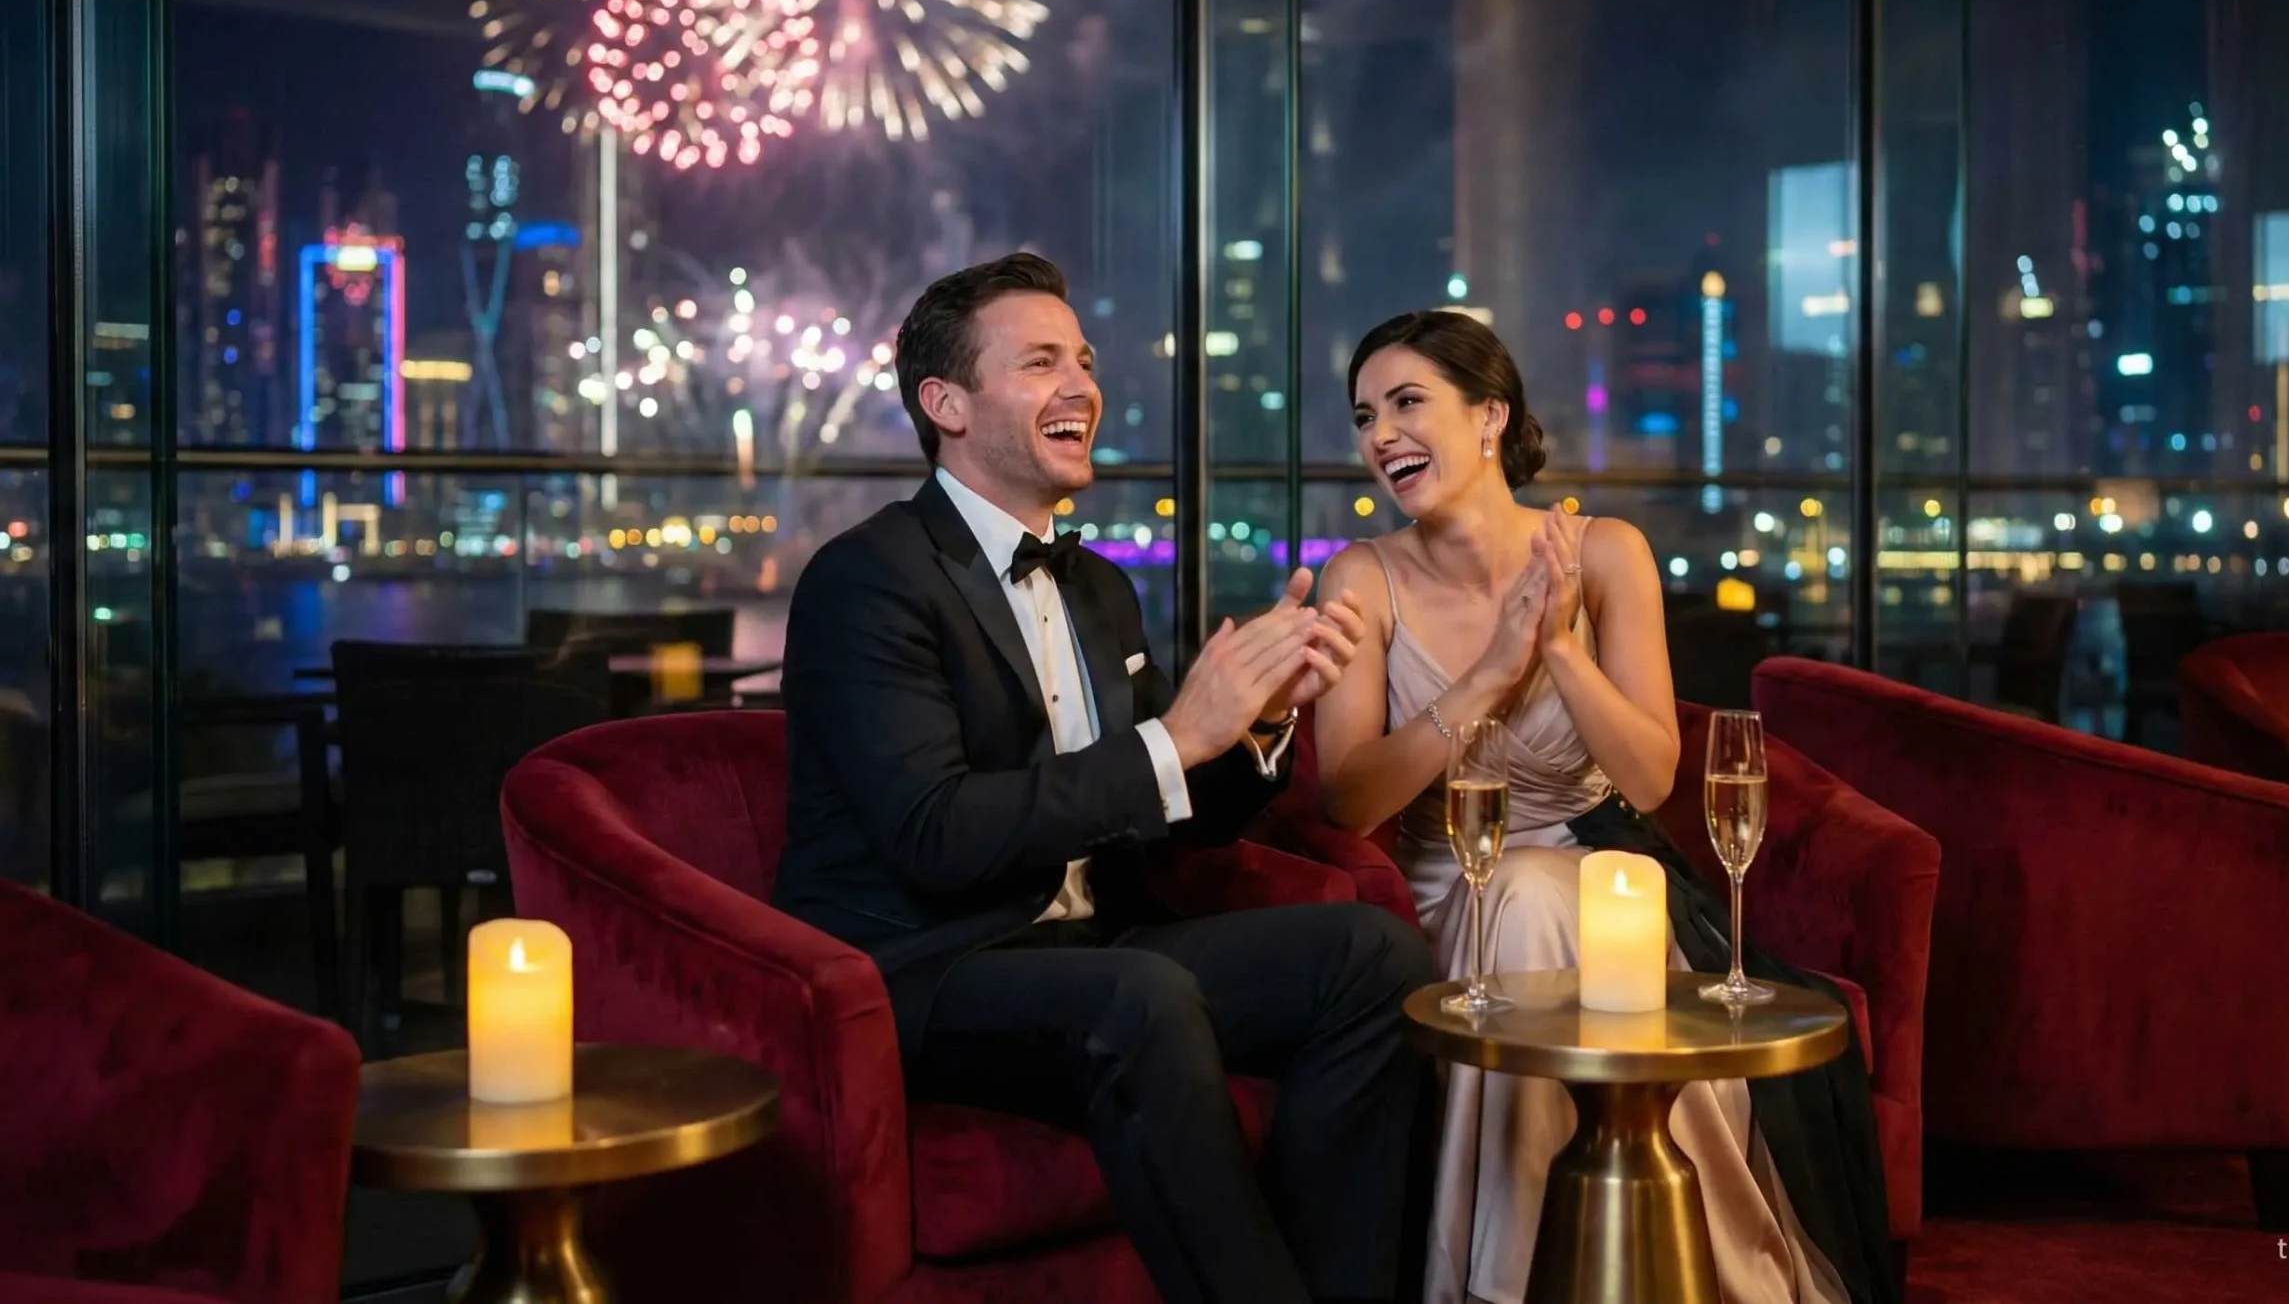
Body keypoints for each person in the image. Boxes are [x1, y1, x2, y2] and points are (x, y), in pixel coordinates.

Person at [776, 253, 1435, 1304]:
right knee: (1141, 994)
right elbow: (933, 833)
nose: (1083, 384)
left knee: (1374, 953)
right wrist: (1177, 735)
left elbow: (1172, 817)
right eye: (1040, 362)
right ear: (944, 402)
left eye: (1083, 358)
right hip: (929, 966)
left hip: (1098, 941)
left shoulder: (1098, 590)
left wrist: (1259, 723)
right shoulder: (870, 579)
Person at [1311, 310, 1897, 1304]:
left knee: (1556, 894)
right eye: (1366, 415)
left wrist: (1562, 650)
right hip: (1453, 881)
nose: (1381, 437)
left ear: (1490, 414)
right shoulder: (1360, 576)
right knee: (1528, 898)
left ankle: (1569, 1271)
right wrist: (1488, 675)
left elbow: (1652, 777)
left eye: (1408, 403)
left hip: (1602, 874)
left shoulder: (1609, 552)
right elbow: (1349, 796)